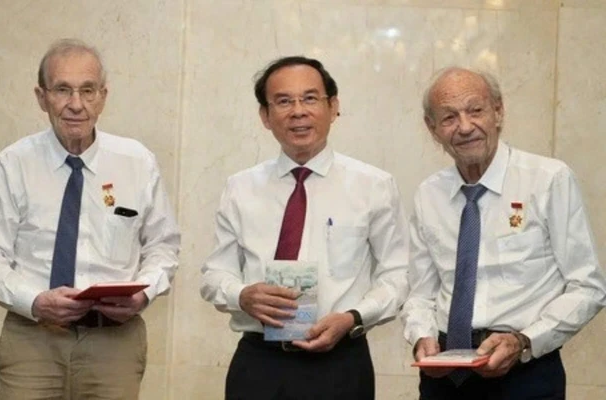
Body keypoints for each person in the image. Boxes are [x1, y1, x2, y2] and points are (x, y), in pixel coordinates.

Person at [0, 38, 180, 399]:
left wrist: (144, 292)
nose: (76, 104)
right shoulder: (13, 163)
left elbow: (163, 246)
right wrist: (34, 301)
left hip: (115, 344)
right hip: (31, 341)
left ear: (103, 95)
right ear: (41, 97)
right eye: (62, 90)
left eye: (88, 90)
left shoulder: (136, 162)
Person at [200, 56, 409, 400]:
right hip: (258, 364)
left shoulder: (373, 186)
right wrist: (242, 295)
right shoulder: (240, 188)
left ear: (333, 107)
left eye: (310, 98)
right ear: (265, 117)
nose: (298, 111)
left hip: (340, 363)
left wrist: (353, 317)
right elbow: (213, 275)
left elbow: (398, 276)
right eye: (283, 101)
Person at [401, 66, 606, 399]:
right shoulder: (429, 194)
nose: (465, 127)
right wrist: (421, 337)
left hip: (526, 372)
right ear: (432, 128)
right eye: (450, 117)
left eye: (476, 110)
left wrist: (523, 341)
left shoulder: (548, 179)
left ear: (498, 111)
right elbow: (421, 293)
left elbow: (588, 286)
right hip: (445, 376)